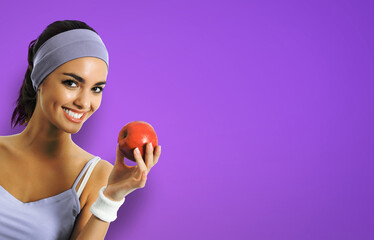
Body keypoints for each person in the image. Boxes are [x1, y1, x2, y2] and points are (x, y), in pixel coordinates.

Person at [0, 20, 161, 240]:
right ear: (40, 78)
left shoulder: (96, 175)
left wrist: (111, 199)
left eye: (96, 89)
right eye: (71, 83)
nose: (85, 102)